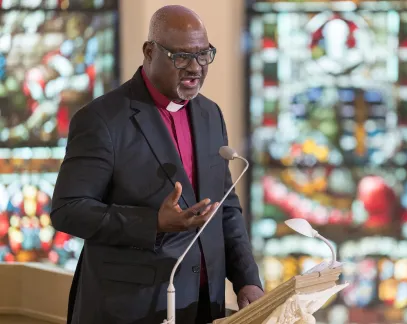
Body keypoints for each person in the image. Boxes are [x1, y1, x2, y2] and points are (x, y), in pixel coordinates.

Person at [50, 5, 264, 324]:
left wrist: (247, 278)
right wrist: (153, 222)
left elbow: (225, 206)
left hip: (204, 303)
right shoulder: (101, 120)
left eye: (204, 54)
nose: (195, 68)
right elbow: (68, 210)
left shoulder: (210, 114)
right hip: (130, 308)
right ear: (149, 51)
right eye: (181, 57)